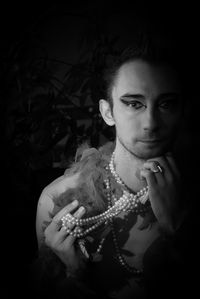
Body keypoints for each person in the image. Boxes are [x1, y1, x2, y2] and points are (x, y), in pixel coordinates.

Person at [34, 34, 194, 299]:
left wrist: (178, 230)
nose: (151, 123)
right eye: (134, 103)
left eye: (166, 104)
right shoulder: (56, 202)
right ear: (108, 112)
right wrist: (74, 273)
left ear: (182, 112)